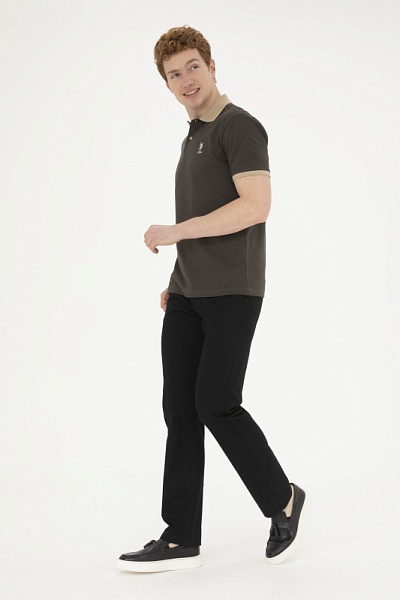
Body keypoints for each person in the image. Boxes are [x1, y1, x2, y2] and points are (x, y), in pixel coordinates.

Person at [117, 25, 309, 573]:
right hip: (188, 291)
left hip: (233, 291)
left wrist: (174, 233)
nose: (186, 80)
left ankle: (284, 499)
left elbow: (255, 206)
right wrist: (179, 275)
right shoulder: (192, 136)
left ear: (212, 65)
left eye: (193, 67)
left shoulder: (238, 126)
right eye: (173, 74)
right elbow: (209, 217)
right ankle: (180, 535)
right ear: (166, 83)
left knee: (215, 403)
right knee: (180, 410)